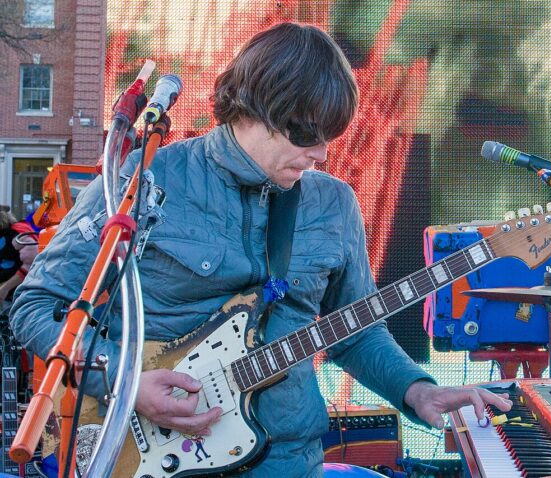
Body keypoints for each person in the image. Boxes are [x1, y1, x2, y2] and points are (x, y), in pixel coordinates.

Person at [10, 22, 511, 476]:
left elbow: (356, 333)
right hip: (150, 458)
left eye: (330, 136)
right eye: (307, 133)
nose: (321, 154)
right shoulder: (144, 180)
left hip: (292, 462)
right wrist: (126, 384)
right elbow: (35, 306)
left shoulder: (333, 204)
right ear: (253, 107)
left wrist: (418, 390)